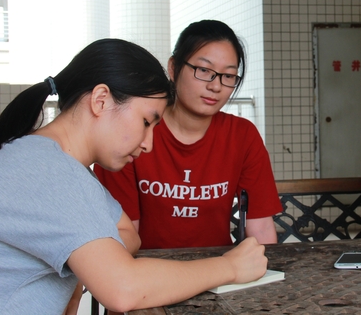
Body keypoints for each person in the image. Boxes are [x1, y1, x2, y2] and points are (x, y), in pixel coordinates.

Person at [0, 39, 267, 314]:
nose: (149, 144)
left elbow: (127, 233)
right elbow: (123, 289)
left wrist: (91, 261)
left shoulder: (60, 166)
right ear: (100, 100)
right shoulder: (48, 172)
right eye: (146, 122)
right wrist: (231, 267)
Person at [94, 20, 282, 249]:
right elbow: (124, 234)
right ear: (173, 68)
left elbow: (260, 227)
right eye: (204, 70)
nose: (216, 86)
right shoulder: (133, 134)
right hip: (148, 267)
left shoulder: (242, 136)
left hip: (222, 267)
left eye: (228, 76)